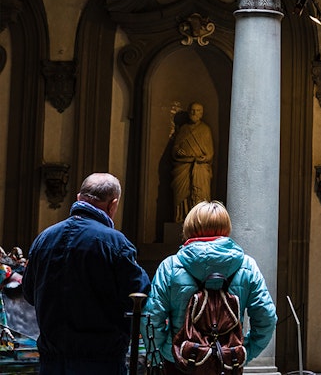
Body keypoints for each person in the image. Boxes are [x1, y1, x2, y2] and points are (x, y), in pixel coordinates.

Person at [22, 172, 151, 375]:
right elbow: (138, 295)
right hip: (101, 362)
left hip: (51, 362)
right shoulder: (115, 243)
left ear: (79, 198)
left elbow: (29, 293)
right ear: (113, 204)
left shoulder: (44, 239)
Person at [142, 200, 276, 374]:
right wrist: (244, 352)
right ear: (226, 228)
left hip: (182, 363)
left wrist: (169, 352)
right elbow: (267, 318)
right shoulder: (247, 266)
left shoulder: (170, 266)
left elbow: (151, 319)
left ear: (189, 228)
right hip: (228, 363)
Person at [171, 102, 214, 223]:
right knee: (182, 195)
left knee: (200, 194)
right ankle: (182, 217)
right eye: (192, 110)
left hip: (200, 167)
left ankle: (200, 219)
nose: (194, 113)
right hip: (183, 166)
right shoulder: (183, 129)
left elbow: (210, 153)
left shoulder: (205, 130)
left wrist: (202, 158)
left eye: (198, 111)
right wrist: (178, 151)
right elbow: (175, 148)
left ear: (202, 113)